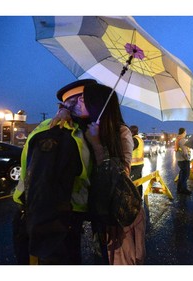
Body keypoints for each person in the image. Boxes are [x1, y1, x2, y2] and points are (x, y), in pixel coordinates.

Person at [51, 82, 146, 265]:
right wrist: (62, 111)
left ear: (98, 103)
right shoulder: (86, 126)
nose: (79, 102)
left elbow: (121, 175)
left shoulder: (121, 131)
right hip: (97, 208)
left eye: (84, 99)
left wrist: (96, 145)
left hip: (116, 209)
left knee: (115, 259)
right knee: (99, 255)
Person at [12, 78, 98, 265]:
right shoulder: (58, 132)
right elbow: (42, 186)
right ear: (81, 103)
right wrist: (50, 246)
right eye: (92, 100)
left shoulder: (75, 131)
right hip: (49, 224)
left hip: (60, 221)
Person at [175, 127, 192, 195]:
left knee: (182, 174)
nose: (186, 133)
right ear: (183, 132)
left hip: (179, 159)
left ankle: (179, 188)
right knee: (185, 175)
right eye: (185, 132)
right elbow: (184, 151)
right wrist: (188, 158)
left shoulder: (178, 139)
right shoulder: (182, 140)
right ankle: (183, 189)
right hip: (184, 160)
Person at [129, 125, 144, 197]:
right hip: (138, 164)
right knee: (138, 182)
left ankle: (136, 199)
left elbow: (129, 149)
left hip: (135, 165)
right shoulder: (139, 138)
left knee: (133, 183)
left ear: (131, 132)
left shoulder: (134, 140)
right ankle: (139, 199)